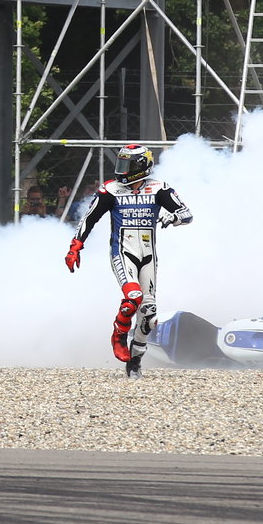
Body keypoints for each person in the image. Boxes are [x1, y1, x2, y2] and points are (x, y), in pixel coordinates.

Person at [64, 144, 192, 378]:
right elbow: (89, 218)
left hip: (149, 256)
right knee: (133, 297)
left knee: (149, 315)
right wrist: (76, 246)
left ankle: (134, 362)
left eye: (128, 165)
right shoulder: (110, 190)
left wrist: (173, 217)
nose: (122, 170)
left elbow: (186, 214)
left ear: (142, 166)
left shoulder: (158, 188)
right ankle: (118, 333)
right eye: (121, 164)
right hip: (122, 252)